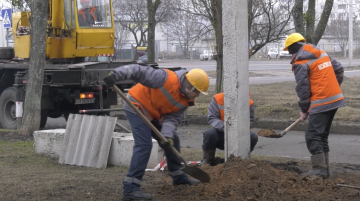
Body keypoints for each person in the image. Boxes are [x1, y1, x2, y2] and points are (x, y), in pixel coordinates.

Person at [103, 58, 210, 200]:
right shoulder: (165, 78)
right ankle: (130, 189)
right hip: (136, 105)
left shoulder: (185, 101)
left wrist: (166, 137)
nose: (197, 96)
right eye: (197, 92)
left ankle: (178, 177)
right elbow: (137, 70)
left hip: (153, 113)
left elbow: (172, 119)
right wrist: (116, 75)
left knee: (173, 139)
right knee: (144, 145)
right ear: (189, 87)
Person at [283, 33, 345, 179]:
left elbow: (303, 89)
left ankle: (319, 170)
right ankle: (325, 169)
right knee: (321, 136)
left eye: (290, 52)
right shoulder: (321, 54)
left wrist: (304, 109)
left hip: (322, 101)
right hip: (335, 99)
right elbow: (339, 69)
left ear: (292, 49)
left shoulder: (300, 62)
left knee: (312, 135)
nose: (290, 55)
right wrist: (332, 87)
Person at [201, 92, 258, 166]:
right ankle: (207, 160)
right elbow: (212, 118)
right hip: (220, 132)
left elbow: (249, 120)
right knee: (209, 134)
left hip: (238, 134)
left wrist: (238, 129)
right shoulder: (217, 99)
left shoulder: (249, 103)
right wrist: (226, 127)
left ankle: (243, 160)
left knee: (252, 137)